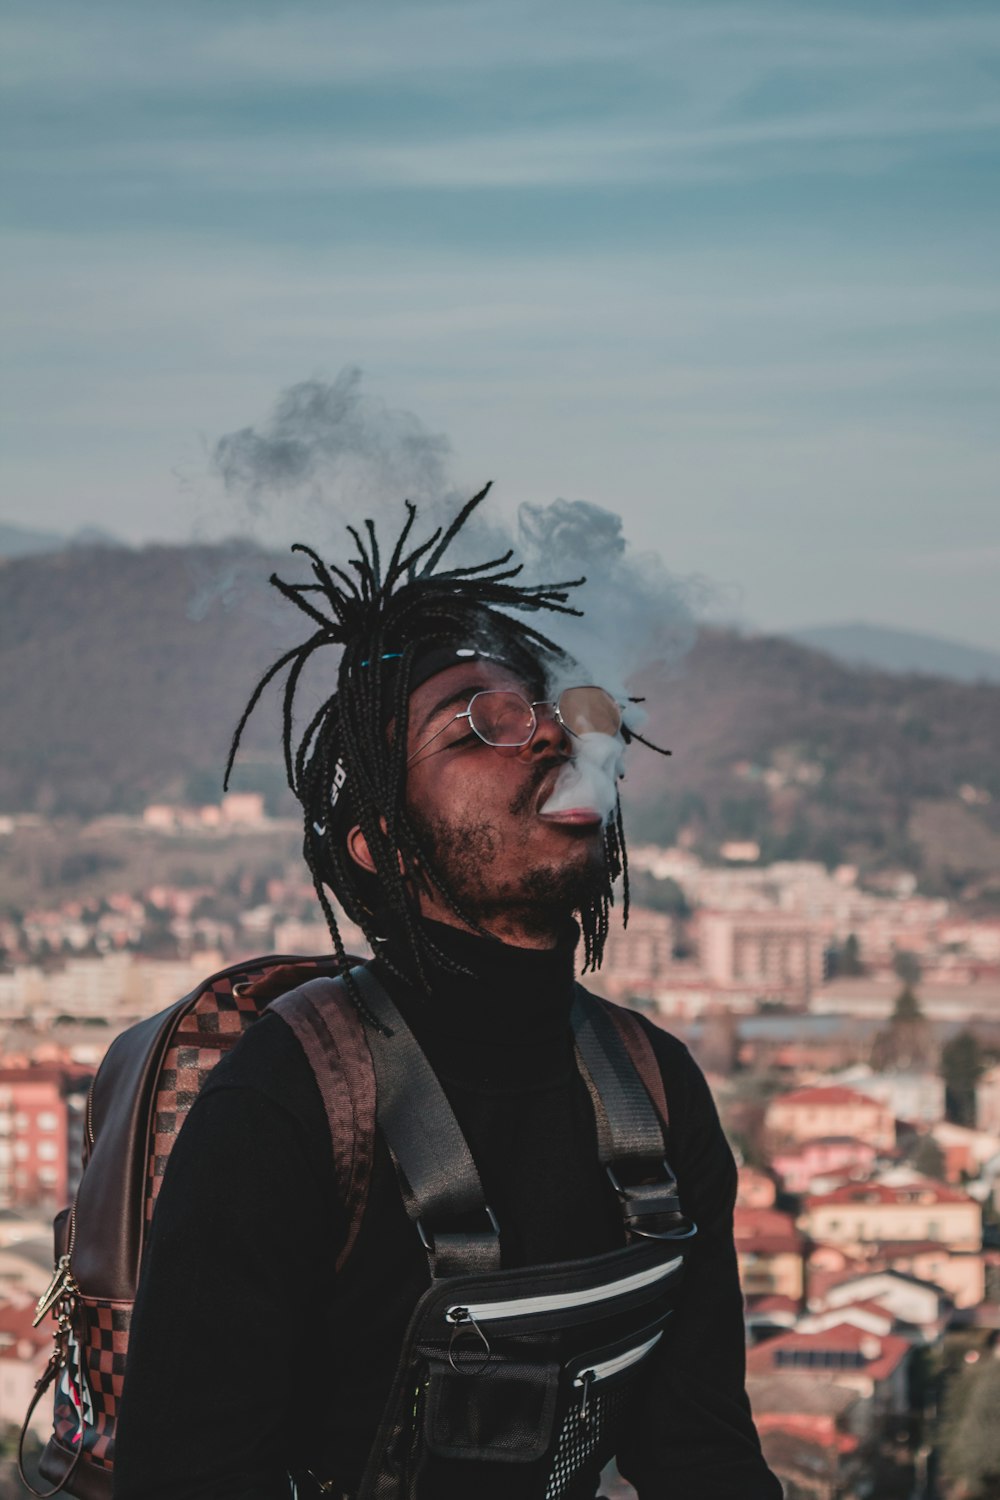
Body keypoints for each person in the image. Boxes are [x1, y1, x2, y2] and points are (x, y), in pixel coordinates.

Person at [113, 488, 781, 1499]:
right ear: (382, 849)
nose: (550, 739)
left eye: (554, 714)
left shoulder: (658, 1088)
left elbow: (702, 1459)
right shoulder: (287, 1103)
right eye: (475, 733)